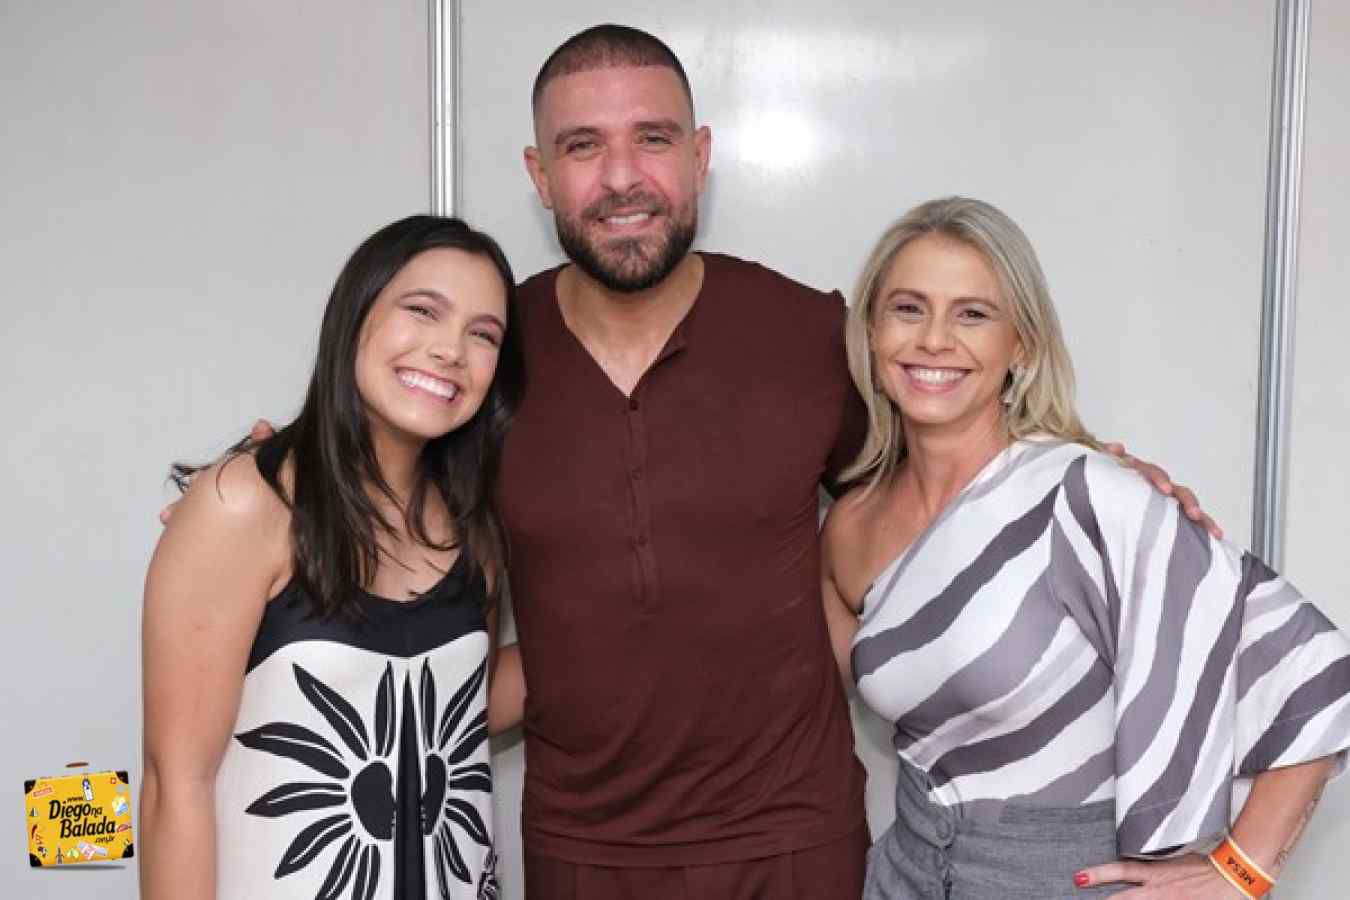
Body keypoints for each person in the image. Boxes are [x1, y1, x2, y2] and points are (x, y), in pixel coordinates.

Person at [180, 25, 1215, 899]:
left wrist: (1093, 472)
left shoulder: (811, 335)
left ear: (701, 155)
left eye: (653, 139)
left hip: (795, 844)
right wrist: (260, 488)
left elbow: (947, 465)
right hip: (581, 854)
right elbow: (380, 455)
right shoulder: (492, 351)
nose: (622, 177)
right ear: (539, 174)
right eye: (582, 146)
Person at [821, 196, 1350, 898]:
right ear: (872, 330)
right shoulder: (850, 525)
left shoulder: (1086, 495)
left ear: (1021, 345)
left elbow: (1314, 672)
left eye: (973, 314)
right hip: (904, 877)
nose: (934, 340)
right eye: (908, 308)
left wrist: (1242, 873)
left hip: (1066, 879)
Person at [140, 215, 523, 900]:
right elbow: (177, 785)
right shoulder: (244, 504)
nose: (450, 350)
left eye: (483, 334)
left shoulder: (475, 530)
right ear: (355, 315)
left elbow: (465, 710)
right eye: (422, 310)